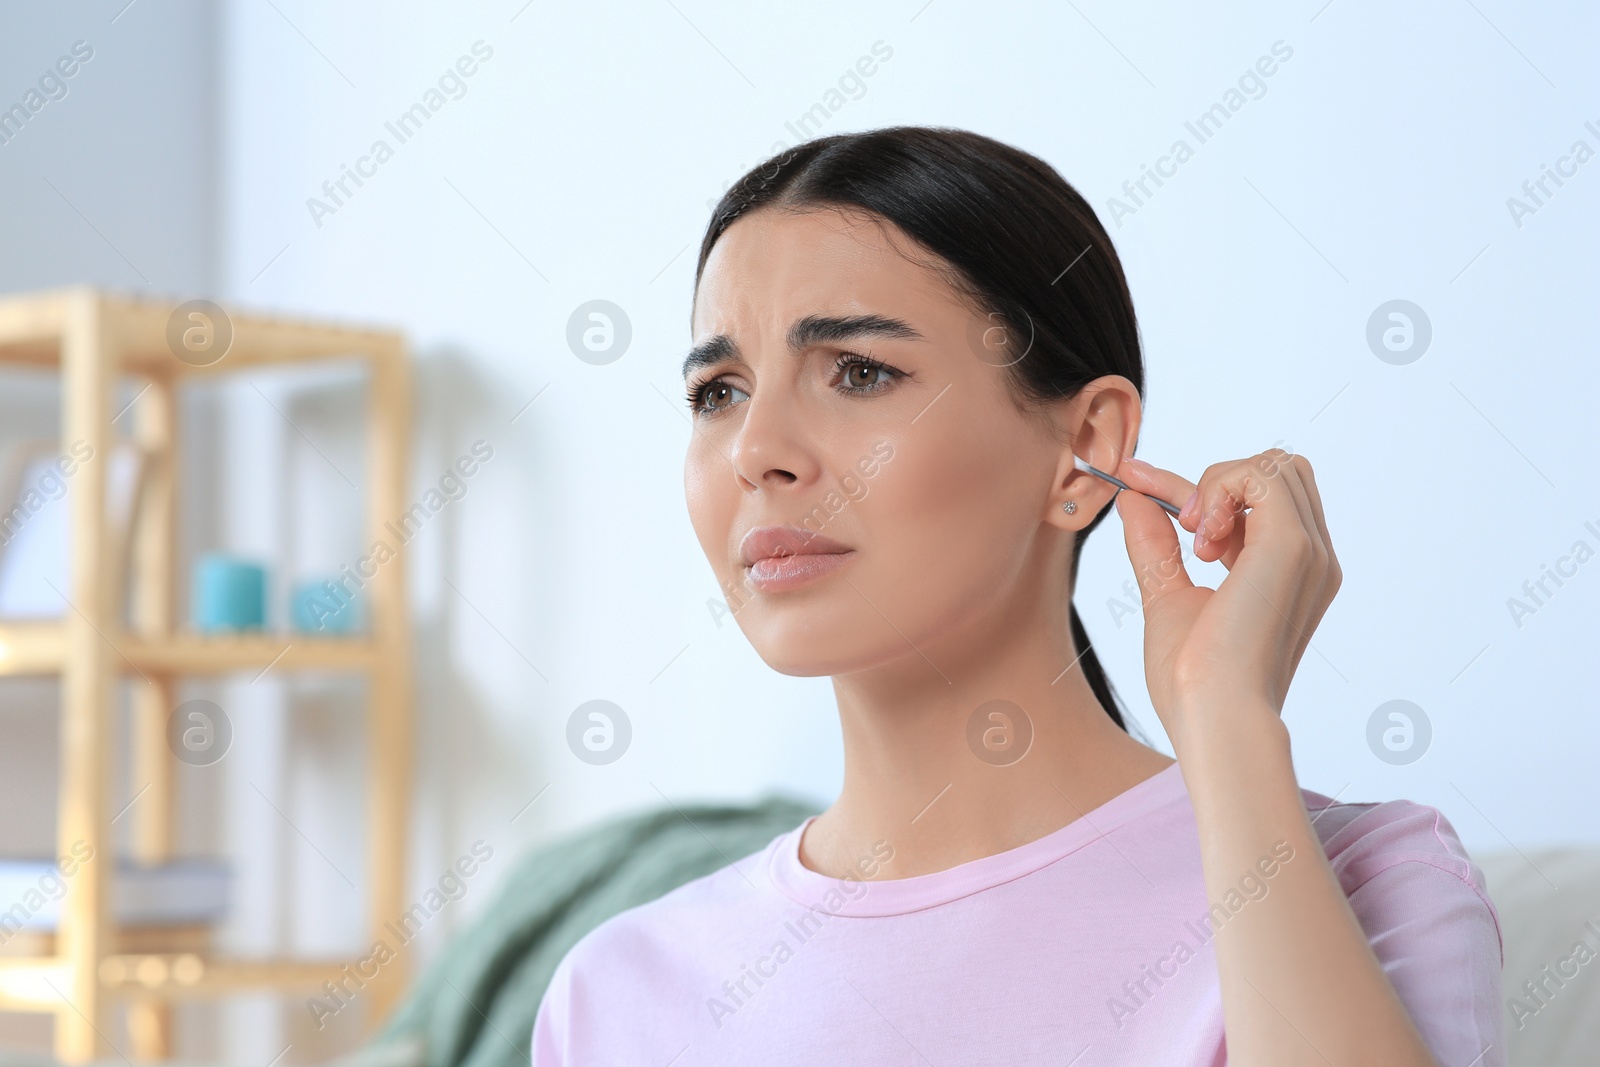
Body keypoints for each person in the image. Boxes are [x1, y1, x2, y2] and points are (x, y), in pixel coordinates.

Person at [530, 126, 1505, 1065]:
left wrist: (1226, 725)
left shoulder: (1370, 878)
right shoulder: (617, 992)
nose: (754, 450)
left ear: (1086, 450)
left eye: (859, 371)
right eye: (719, 391)